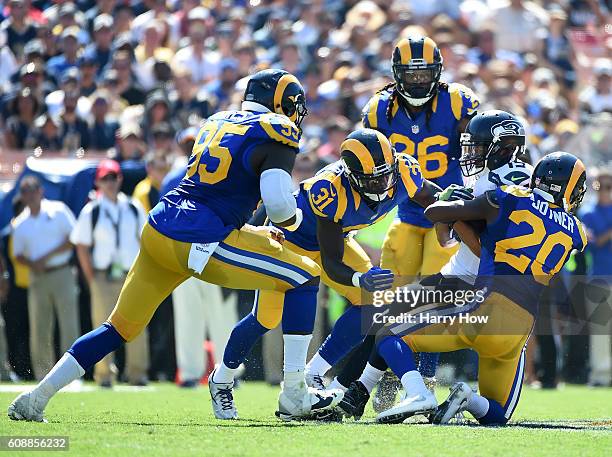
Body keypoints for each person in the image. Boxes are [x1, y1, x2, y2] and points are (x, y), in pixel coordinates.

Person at [8, 69, 341, 423]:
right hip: (201, 237)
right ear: (282, 101)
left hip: (160, 226)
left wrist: (259, 234)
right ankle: (294, 394)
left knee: (118, 327)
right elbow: (277, 204)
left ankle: (37, 397)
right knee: (305, 276)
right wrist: (298, 226)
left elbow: (221, 191)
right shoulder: (276, 130)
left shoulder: (217, 121)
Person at [215, 128, 450, 420]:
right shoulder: (329, 189)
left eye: (385, 175)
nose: (382, 184)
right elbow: (331, 262)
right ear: (351, 176)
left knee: (375, 305)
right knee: (265, 318)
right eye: (372, 179)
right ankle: (221, 379)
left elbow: (432, 198)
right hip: (292, 242)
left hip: (339, 237)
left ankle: (314, 374)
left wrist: (457, 208)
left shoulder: (404, 170)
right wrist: (358, 279)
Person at [339, 151, 587, 425]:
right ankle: (469, 398)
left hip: (483, 310)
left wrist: (457, 203)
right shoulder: (578, 233)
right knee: (497, 415)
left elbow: (435, 213)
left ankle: (420, 392)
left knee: (388, 332)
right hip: (519, 330)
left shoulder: (509, 195)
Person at [336, 110, 534, 415]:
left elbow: (488, 252)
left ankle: (408, 389)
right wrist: (453, 213)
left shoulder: (497, 187)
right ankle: (361, 390)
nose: (471, 153)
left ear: (503, 146)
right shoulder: (515, 178)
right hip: (498, 293)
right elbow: (446, 240)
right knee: (495, 415)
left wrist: (452, 212)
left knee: (389, 325)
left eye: (479, 146)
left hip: (471, 285)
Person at [71, 160, 149, 387]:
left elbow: (144, 242)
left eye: (113, 177)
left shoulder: (133, 207)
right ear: (97, 182)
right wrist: (91, 277)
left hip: (130, 274)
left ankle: (138, 373)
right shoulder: (92, 209)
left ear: (120, 179)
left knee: (137, 323)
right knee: (102, 325)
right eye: (105, 178)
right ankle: (104, 375)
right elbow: (82, 245)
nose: (110, 182)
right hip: (102, 275)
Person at [11, 176, 79, 380]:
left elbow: (72, 239)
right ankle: (44, 376)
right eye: (25, 192)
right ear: (21, 197)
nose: (30, 195)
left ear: (41, 191)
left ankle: (72, 374)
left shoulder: (58, 210)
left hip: (62, 272)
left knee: (69, 324)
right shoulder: (20, 223)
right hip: (38, 277)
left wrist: (44, 257)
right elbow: (18, 254)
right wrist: (34, 264)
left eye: (32, 190)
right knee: (40, 328)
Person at [581, 168, 612, 386]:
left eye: (609, 186)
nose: (605, 191)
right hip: (599, 278)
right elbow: (595, 242)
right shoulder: (588, 212)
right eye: (601, 186)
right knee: (600, 332)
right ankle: (601, 376)